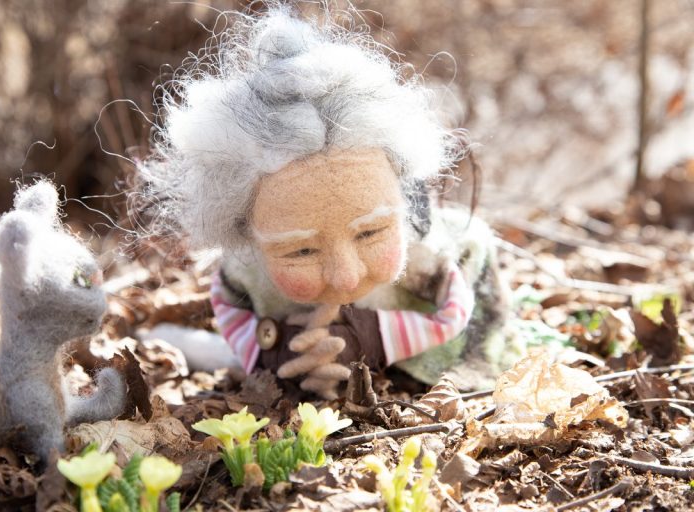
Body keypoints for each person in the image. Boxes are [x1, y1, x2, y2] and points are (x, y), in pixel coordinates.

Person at [137, 4, 514, 398]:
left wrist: (374, 340)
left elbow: (468, 326)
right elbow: (235, 312)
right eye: (300, 250)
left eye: (371, 232)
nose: (346, 277)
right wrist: (279, 351)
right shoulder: (245, 271)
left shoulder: (442, 253)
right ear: (245, 230)